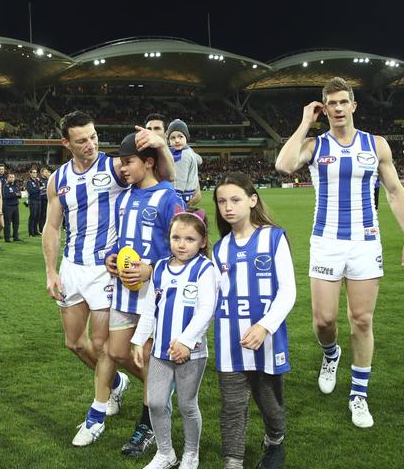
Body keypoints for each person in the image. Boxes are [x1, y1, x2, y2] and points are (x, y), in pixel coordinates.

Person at [275, 77, 404, 428]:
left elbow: (395, 191)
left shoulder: (376, 145)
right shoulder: (315, 145)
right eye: (331, 104)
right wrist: (305, 122)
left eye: (343, 102)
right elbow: (283, 165)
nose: (338, 109)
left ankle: (358, 395)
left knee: (362, 320)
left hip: (364, 242)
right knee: (324, 321)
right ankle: (330, 354)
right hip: (325, 242)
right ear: (325, 108)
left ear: (353, 106)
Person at [43, 111, 175, 447]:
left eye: (93, 137)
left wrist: (160, 145)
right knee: (74, 343)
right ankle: (117, 384)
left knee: (103, 345)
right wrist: (51, 270)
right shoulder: (58, 179)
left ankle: (98, 412)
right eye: (81, 140)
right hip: (73, 266)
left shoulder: (116, 167)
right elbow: (52, 227)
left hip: (108, 269)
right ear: (66, 143)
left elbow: (162, 176)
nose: (90, 145)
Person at [105, 132, 184, 456]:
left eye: (128, 162)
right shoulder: (123, 198)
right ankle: (162, 388)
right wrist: (112, 256)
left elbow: (183, 248)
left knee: (147, 358)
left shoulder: (168, 198)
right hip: (123, 293)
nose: (123, 169)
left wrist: (151, 270)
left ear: (148, 162)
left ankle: (147, 426)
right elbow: (120, 240)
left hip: (154, 295)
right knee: (118, 352)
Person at [212, 172, 296, 469]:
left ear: (252, 200)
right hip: (230, 340)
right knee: (232, 406)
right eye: (222, 201)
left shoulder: (274, 238)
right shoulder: (219, 248)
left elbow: (288, 291)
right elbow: (213, 295)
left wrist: (264, 326)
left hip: (267, 339)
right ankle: (233, 461)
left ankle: (275, 439)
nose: (228, 207)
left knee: (269, 402)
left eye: (235, 199)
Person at [132, 209, 217, 469]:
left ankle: (191, 453)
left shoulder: (205, 268)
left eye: (189, 239)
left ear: (202, 242)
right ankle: (165, 453)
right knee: (156, 402)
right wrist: (139, 339)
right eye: (176, 238)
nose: (182, 244)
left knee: (187, 405)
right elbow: (150, 307)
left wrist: (186, 342)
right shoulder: (159, 267)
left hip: (191, 352)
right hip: (160, 351)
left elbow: (207, 310)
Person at [165, 119, 202, 206]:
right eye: (172, 138)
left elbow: (179, 181)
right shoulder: (189, 150)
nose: (177, 140)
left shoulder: (182, 156)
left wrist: (175, 201)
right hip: (189, 195)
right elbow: (199, 160)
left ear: (186, 137)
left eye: (180, 136)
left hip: (181, 197)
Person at [2, 172, 21, 242]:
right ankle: (7, 238)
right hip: (8, 206)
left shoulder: (15, 186)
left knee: (16, 222)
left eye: (13, 177)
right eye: (10, 177)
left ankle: (15, 236)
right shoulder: (5, 186)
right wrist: (15, 194)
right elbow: (6, 195)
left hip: (15, 206)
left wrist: (14, 194)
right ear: (7, 178)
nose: (12, 178)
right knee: (7, 223)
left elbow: (20, 195)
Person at [26, 168, 41, 236]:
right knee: (33, 216)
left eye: (36, 172)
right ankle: (31, 232)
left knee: (37, 216)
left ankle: (35, 231)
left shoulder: (37, 181)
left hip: (38, 200)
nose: (35, 174)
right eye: (33, 172)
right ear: (31, 173)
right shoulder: (29, 182)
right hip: (32, 201)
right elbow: (31, 191)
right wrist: (39, 189)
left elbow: (43, 187)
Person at [38, 167, 49, 232]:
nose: (47, 173)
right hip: (42, 199)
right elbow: (39, 190)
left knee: (47, 214)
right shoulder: (39, 181)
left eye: (47, 172)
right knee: (42, 214)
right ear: (42, 173)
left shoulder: (48, 180)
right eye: (45, 172)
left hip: (48, 199)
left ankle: (46, 227)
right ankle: (41, 229)